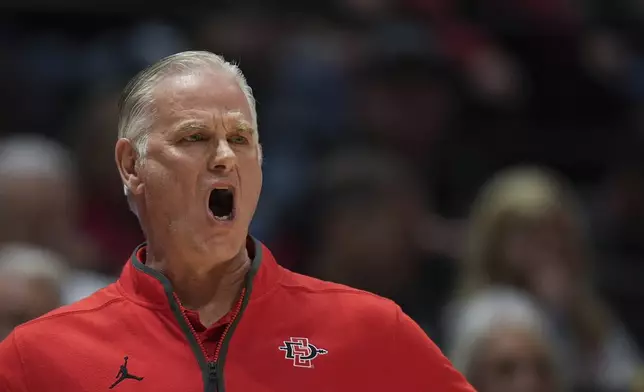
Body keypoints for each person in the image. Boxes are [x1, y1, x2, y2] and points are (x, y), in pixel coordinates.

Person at [0, 51, 474, 391]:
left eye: (241, 139)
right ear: (131, 167)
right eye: (195, 137)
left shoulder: (371, 330)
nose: (224, 158)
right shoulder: (38, 356)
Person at [454, 165, 641, 391]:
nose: (546, 243)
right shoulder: (484, 312)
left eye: (554, 229)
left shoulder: (586, 311)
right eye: (526, 231)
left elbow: (628, 375)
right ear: (495, 241)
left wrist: (573, 314)